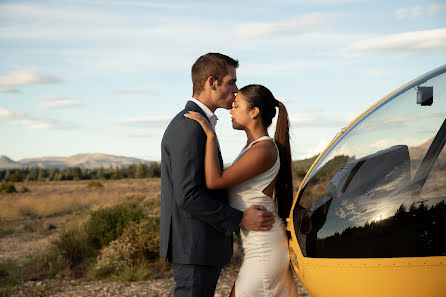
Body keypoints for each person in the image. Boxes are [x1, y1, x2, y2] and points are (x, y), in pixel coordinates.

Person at [160, 53, 276, 297]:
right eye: (231, 82)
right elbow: (189, 196)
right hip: (195, 246)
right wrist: (240, 219)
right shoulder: (190, 127)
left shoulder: (199, 124)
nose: (235, 90)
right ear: (212, 82)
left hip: (200, 246)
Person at [184, 84, 299, 296]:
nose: (231, 110)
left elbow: (215, 181)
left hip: (263, 246)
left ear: (254, 112)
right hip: (256, 244)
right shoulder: (252, 147)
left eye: (237, 106)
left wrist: (210, 136)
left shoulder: (263, 150)